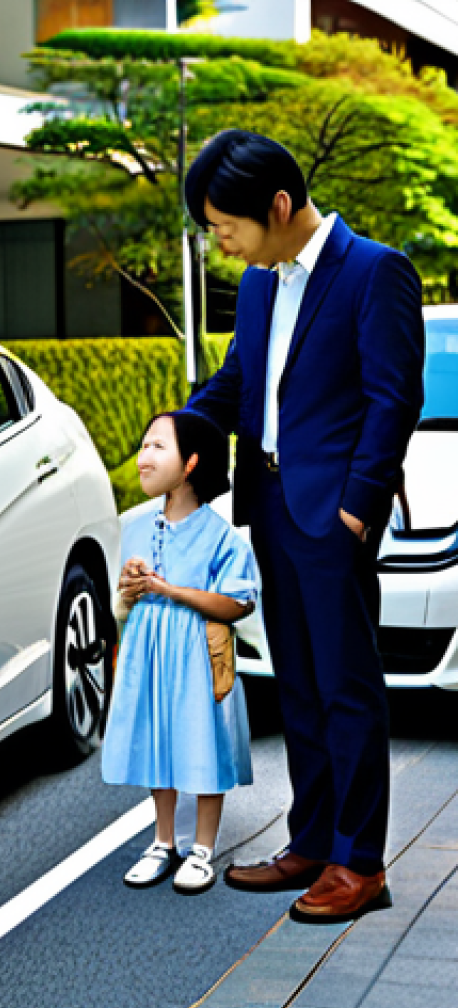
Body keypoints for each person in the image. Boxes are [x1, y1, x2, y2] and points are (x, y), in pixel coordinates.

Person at [184, 130, 425, 923]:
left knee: (348, 690)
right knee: (298, 688)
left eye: (226, 227)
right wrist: (174, 431)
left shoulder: (374, 271)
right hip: (271, 508)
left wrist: (359, 504)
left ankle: (360, 864)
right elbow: (237, 382)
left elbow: (394, 399)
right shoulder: (259, 285)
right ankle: (313, 841)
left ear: (278, 206)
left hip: (332, 517)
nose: (221, 243)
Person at [102, 410, 259, 895]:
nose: (142, 457)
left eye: (157, 447)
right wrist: (128, 593)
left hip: (198, 655)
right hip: (149, 651)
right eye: (143, 446)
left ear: (190, 463)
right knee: (158, 739)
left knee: (204, 742)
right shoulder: (135, 526)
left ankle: (203, 849)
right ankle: (163, 841)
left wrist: (170, 591)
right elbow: (122, 604)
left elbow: (237, 602)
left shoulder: (221, 536)